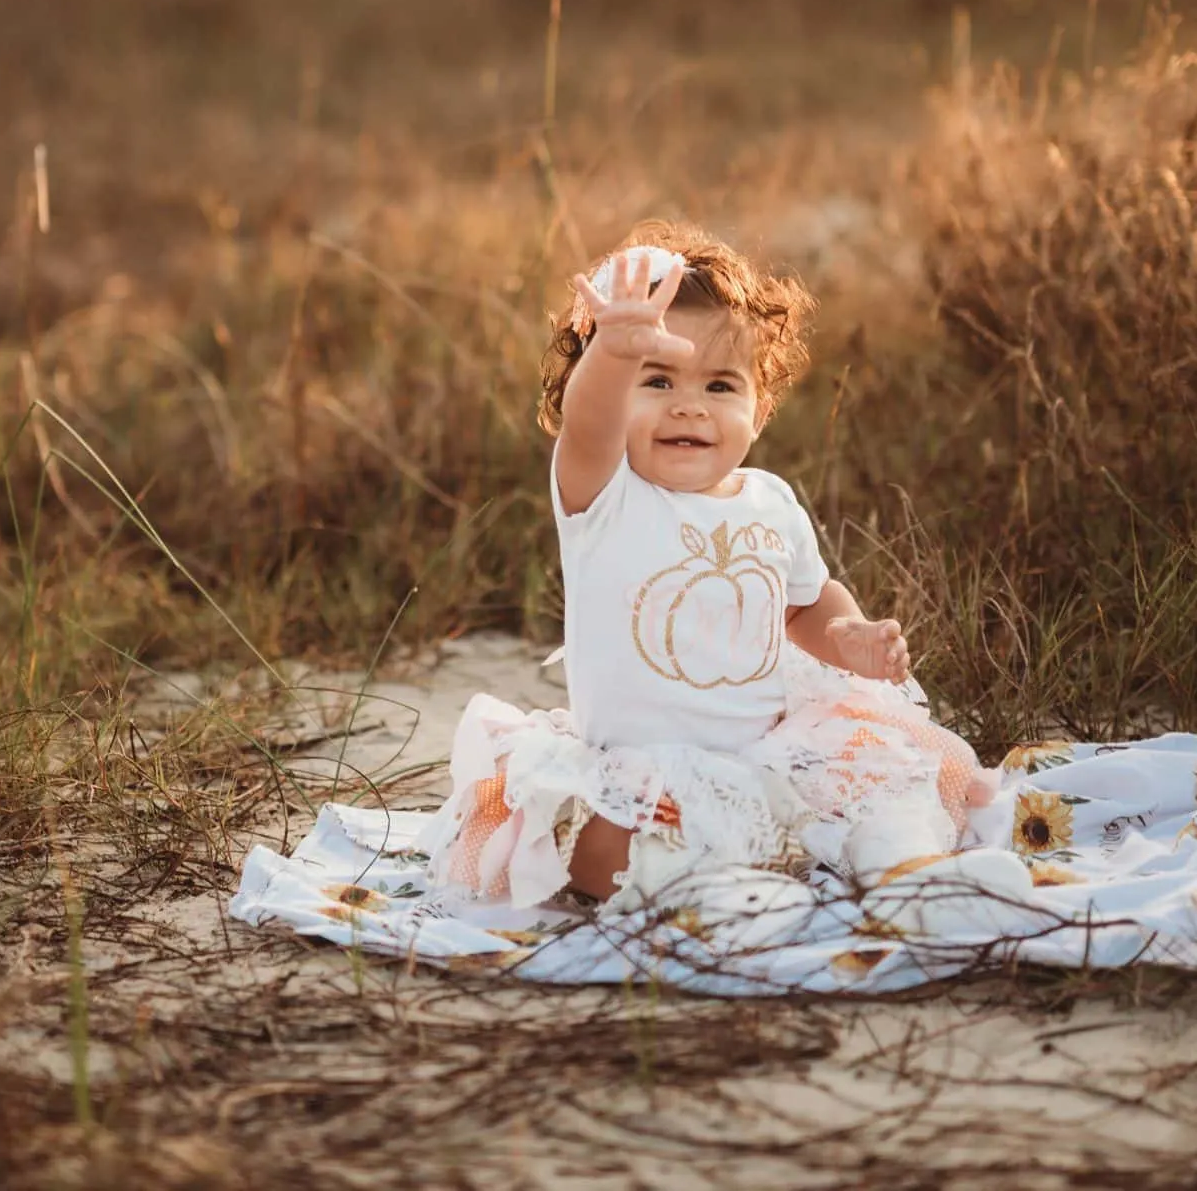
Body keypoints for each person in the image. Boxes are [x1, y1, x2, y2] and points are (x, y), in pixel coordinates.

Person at [423, 223, 1005, 916]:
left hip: (767, 756)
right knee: (606, 857)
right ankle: (719, 877)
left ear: (758, 410)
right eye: (657, 377)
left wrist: (849, 635)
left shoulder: (771, 501)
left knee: (879, 789)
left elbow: (805, 604)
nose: (688, 404)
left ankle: (905, 869)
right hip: (645, 772)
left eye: (720, 383)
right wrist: (614, 350)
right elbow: (588, 424)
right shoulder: (603, 495)